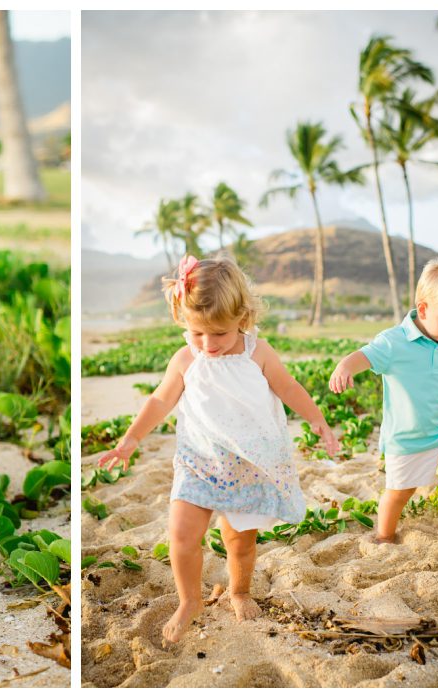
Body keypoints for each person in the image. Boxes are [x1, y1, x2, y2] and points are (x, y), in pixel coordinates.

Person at [97, 255, 337, 646]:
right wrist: (130, 439)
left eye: (219, 334)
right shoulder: (186, 359)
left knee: (239, 541)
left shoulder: (256, 352)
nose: (207, 345)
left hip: (247, 463)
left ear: (242, 318)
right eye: (197, 334)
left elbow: (288, 387)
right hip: (199, 461)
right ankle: (190, 600)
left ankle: (239, 591)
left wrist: (317, 420)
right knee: (181, 535)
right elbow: (160, 401)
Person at [329, 257, 438, 543]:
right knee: (400, 493)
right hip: (408, 436)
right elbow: (364, 355)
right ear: (423, 309)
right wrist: (344, 366)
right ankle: (384, 534)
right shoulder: (394, 342)